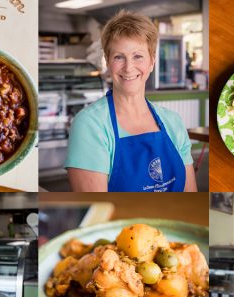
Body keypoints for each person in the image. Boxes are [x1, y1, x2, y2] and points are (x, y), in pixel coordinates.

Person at [65, 11, 196, 192]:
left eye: (138, 56)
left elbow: (190, 197)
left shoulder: (173, 121)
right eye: (119, 57)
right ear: (108, 62)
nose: (128, 67)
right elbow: (98, 207)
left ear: (152, 61)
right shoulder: (90, 125)